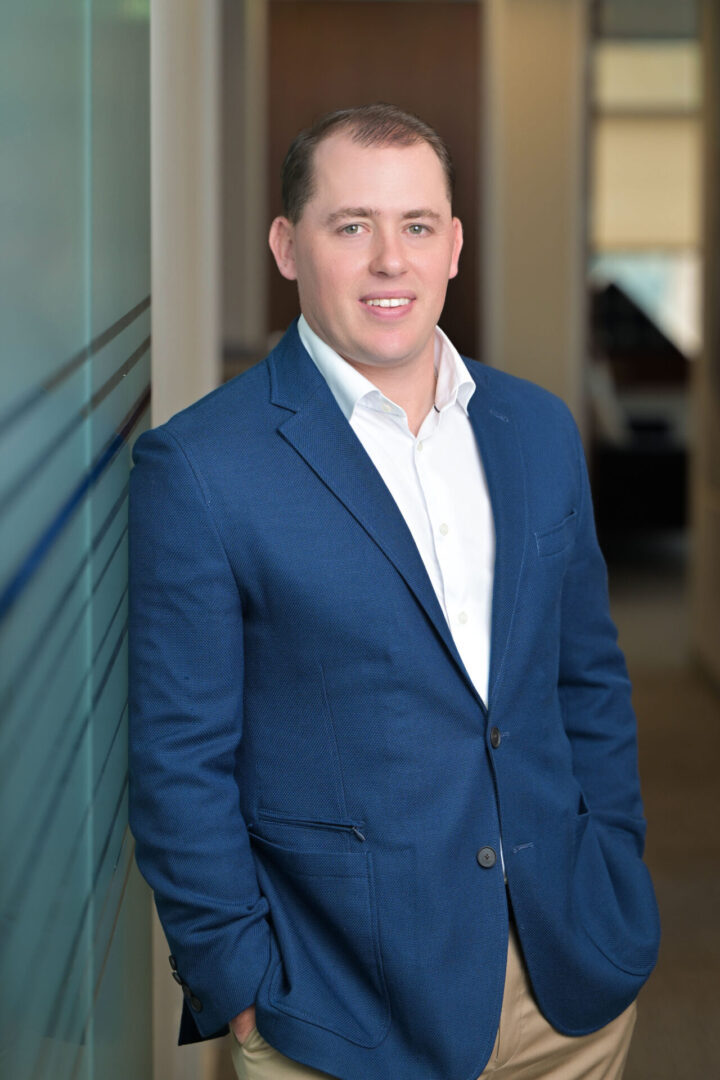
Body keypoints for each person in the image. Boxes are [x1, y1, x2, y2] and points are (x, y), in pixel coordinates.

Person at [128, 104, 660, 1080]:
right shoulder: (201, 467)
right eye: (351, 225)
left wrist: (615, 860)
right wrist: (238, 986)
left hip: (568, 984)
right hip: (343, 1009)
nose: (390, 261)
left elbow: (586, 677)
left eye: (417, 226)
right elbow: (176, 764)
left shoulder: (538, 431)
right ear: (288, 246)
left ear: (453, 246)